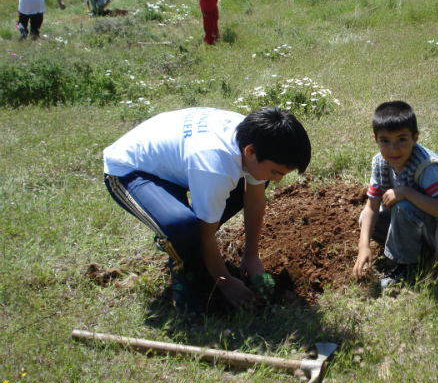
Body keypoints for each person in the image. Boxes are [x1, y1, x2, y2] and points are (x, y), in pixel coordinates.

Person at [103, 107, 311, 314]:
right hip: (132, 170)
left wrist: (251, 254)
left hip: (174, 162)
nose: (278, 180)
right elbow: (206, 235)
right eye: (276, 172)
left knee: (254, 182)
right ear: (250, 152)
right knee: (182, 228)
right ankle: (187, 287)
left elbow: (254, 199)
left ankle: (192, 248)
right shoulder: (215, 167)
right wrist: (225, 282)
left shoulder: (257, 139)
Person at [352, 101, 438, 288]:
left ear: (415, 137)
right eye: (385, 141)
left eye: (402, 139)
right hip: (419, 223)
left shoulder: (425, 166)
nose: (393, 149)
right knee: (365, 220)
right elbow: (372, 207)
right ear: (375, 139)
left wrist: (406, 192)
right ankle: (415, 251)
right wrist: (363, 247)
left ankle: (407, 268)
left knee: (403, 207)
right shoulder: (379, 163)